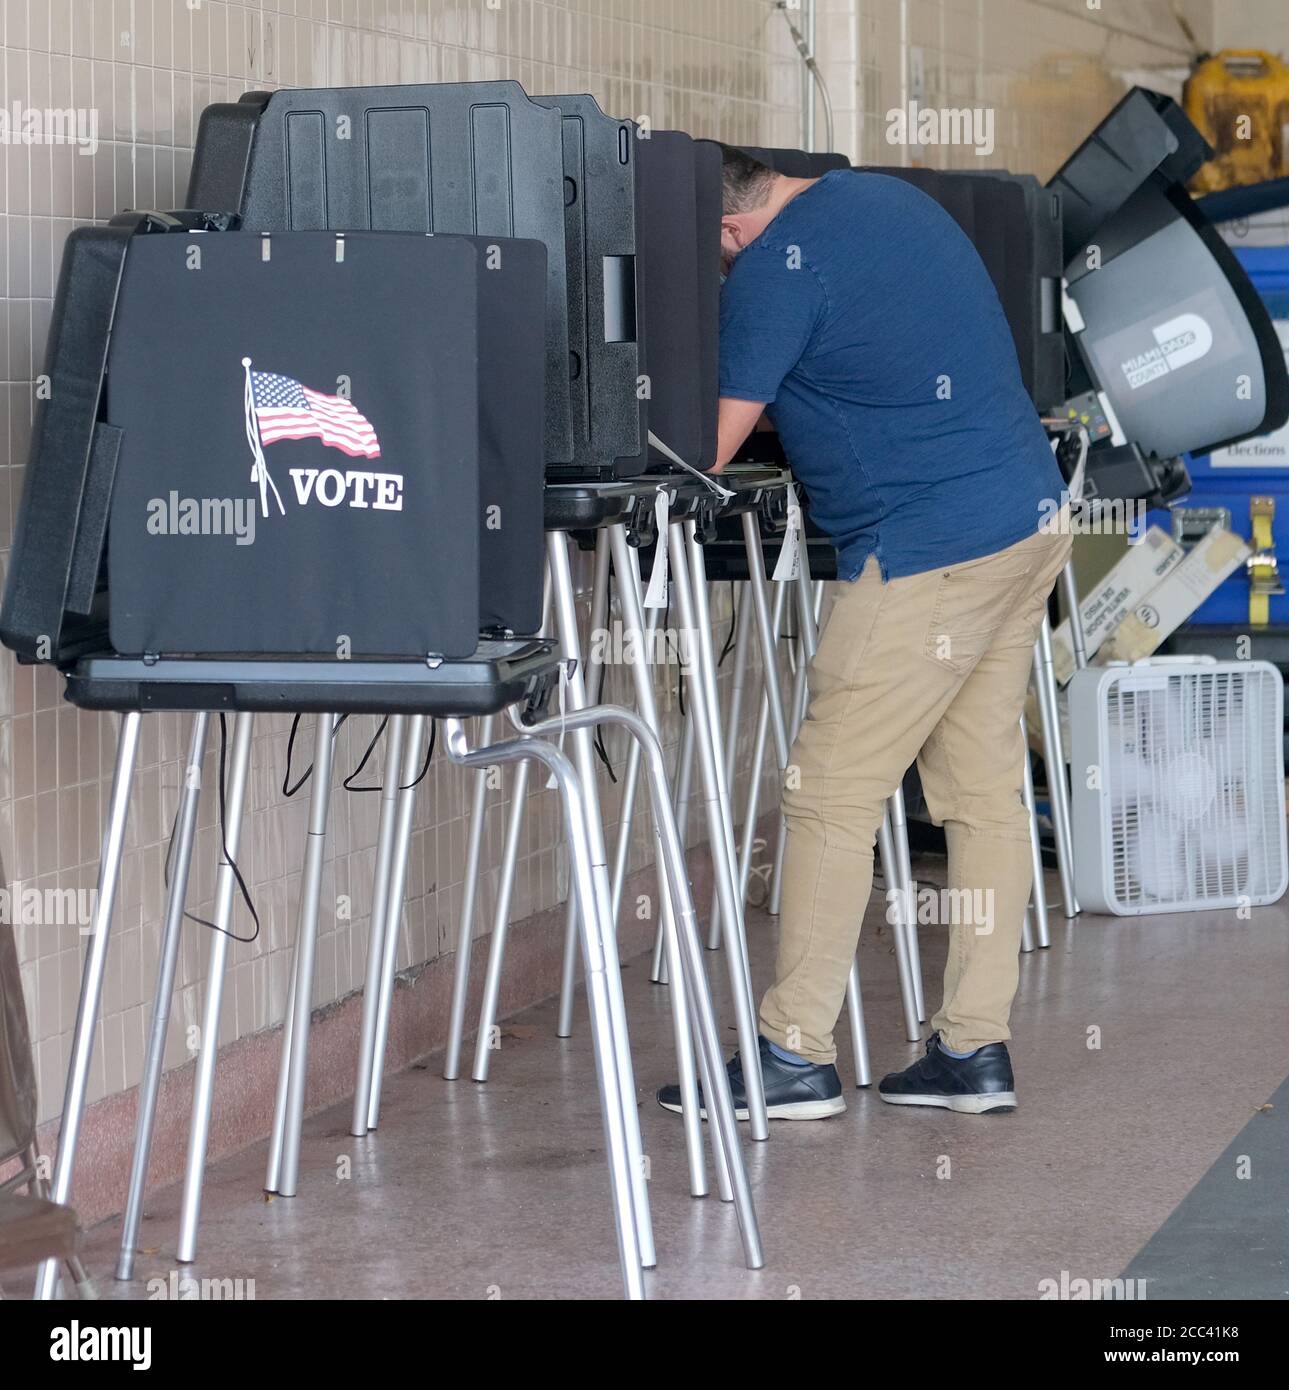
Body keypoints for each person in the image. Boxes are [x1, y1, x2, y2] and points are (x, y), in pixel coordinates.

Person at [658, 147, 1071, 1120]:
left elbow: (703, 448)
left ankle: (792, 1052)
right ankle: (971, 1049)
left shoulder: (768, 269)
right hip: (1026, 521)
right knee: (978, 795)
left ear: (725, 231)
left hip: (926, 552)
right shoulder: (889, 199)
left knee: (828, 793)